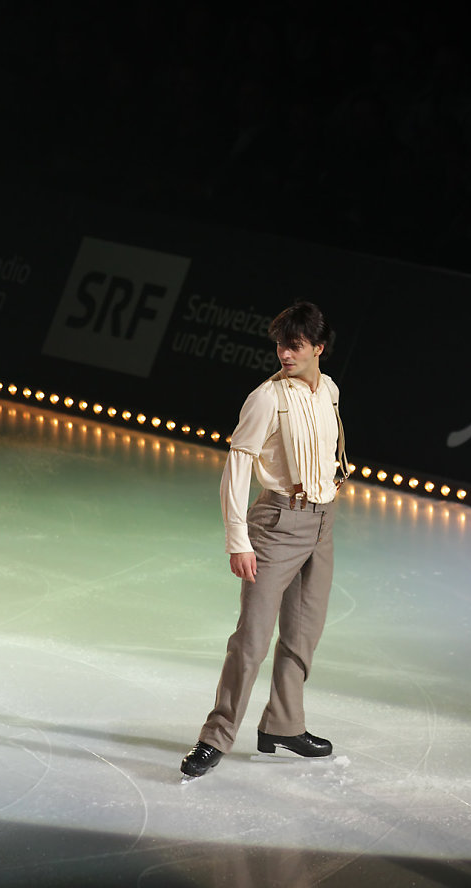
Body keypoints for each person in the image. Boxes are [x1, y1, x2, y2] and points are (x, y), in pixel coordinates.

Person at [180, 299, 348, 777]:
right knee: (251, 640)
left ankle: (283, 724)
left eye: (294, 345)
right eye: (280, 345)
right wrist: (239, 539)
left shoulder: (330, 390)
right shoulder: (266, 398)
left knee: (302, 635)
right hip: (276, 525)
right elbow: (236, 468)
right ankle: (216, 736)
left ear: (318, 348)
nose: (284, 354)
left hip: (322, 522)